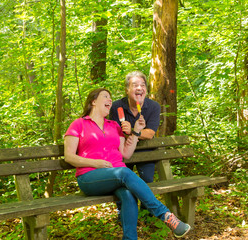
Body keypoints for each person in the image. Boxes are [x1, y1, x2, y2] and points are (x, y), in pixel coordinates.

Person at [64, 88, 190, 239]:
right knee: (123, 173)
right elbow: (69, 157)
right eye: (105, 97)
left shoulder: (114, 125)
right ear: (93, 101)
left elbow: (126, 154)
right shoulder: (78, 124)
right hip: (90, 178)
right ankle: (165, 215)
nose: (110, 100)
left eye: (111, 98)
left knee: (129, 194)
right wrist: (96, 163)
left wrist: (136, 131)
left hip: (118, 176)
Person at [109, 70, 161, 185]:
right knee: (122, 183)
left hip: (145, 149)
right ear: (127, 90)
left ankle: (145, 204)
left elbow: (150, 134)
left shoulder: (154, 107)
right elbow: (117, 134)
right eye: (135, 85)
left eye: (142, 85)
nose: (139, 88)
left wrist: (132, 131)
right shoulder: (116, 107)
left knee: (147, 182)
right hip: (124, 151)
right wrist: (136, 133)